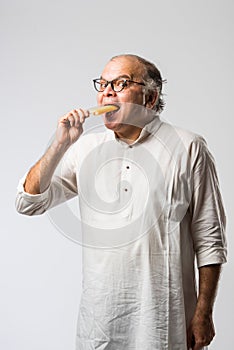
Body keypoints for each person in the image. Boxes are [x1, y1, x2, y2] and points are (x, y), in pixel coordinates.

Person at [16, 54, 227, 350]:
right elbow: (28, 203)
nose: (107, 92)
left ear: (150, 98)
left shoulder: (189, 147)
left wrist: (203, 313)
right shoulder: (84, 148)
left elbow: (209, 239)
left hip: (165, 323)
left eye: (121, 83)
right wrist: (60, 144)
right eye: (103, 83)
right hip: (101, 325)